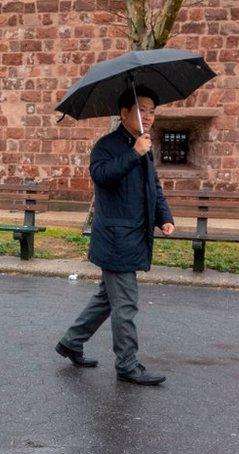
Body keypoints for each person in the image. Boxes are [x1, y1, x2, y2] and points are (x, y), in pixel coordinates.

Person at [55, 86, 175, 386]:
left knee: (107, 298)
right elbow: (102, 176)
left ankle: (71, 341)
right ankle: (127, 364)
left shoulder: (144, 146)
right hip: (116, 238)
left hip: (136, 235)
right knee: (126, 303)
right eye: (141, 109)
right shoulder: (107, 146)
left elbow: (154, 187)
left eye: (152, 111)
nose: (148, 116)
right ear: (123, 113)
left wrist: (164, 217)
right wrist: (133, 154)